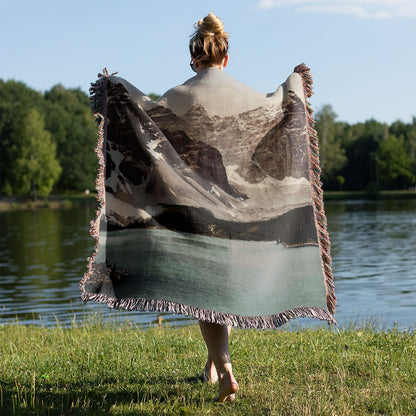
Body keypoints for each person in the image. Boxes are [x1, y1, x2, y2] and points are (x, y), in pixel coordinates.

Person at [187, 13, 238, 404]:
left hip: (194, 209)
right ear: (225, 58)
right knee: (222, 292)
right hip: (231, 211)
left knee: (205, 297)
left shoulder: (180, 94)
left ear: (195, 59)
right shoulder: (240, 93)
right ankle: (210, 367)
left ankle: (226, 374)